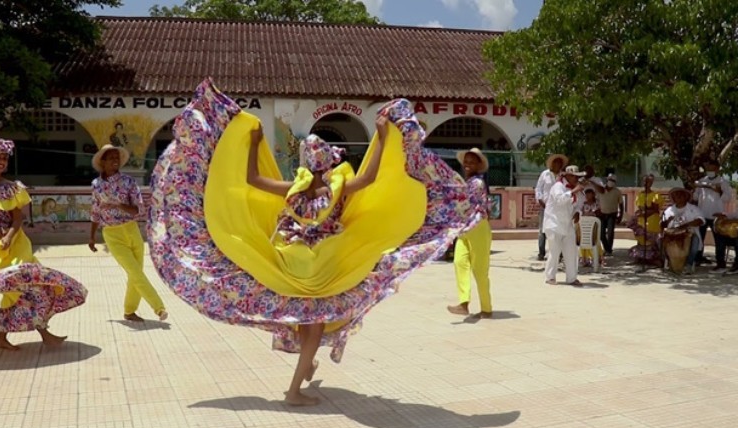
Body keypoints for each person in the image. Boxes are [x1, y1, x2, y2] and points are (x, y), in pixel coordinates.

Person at [147, 80, 478, 407]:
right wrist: (380, 135)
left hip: (290, 263)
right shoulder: (336, 189)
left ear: (306, 162)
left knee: (308, 326)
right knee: (315, 328)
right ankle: (294, 390)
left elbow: (251, 179)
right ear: (329, 162)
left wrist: (253, 142)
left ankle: (306, 368)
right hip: (325, 268)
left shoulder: (293, 188)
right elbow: (371, 178)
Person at [0, 138, 87, 350]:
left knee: (26, 284)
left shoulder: (12, 188)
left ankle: (33, 334)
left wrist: (9, 238)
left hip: (12, 244)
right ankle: (30, 335)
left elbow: (17, 218)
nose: (2, 161)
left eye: (5, 157)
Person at [89, 145, 168, 323]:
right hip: (112, 234)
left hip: (132, 230)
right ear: (103, 161)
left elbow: (137, 210)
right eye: (111, 157)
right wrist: (92, 236)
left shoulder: (129, 182)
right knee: (135, 272)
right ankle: (159, 307)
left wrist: (119, 205)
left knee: (135, 273)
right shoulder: (96, 185)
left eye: (117, 157)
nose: (115, 160)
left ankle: (129, 311)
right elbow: (95, 211)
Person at [446, 148, 493, 318]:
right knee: (459, 262)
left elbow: (467, 206)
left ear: (479, 165)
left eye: (472, 162)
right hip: (465, 228)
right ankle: (464, 303)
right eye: (466, 161)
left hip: (477, 227)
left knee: (480, 271)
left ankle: (486, 309)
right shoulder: (467, 182)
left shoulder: (477, 184)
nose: (467, 164)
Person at [544, 165, 585, 286]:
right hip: (554, 223)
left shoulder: (577, 189)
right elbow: (559, 200)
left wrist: (578, 212)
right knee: (554, 251)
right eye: (574, 176)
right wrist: (573, 191)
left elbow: (580, 204)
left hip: (567, 224)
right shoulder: (558, 186)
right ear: (567, 176)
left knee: (571, 251)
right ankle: (550, 277)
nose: (577, 179)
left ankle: (572, 278)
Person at [692, 159, 732, 268]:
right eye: (709, 168)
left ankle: (720, 263)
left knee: (719, 241)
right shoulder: (701, 181)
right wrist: (694, 189)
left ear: (717, 169)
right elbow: (695, 197)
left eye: (713, 169)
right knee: (700, 238)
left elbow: (728, 198)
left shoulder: (723, 182)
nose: (710, 170)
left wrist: (719, 191)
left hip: (716, 215)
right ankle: (697, 259)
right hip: (702, 214)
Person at [660, 187, 705, 275]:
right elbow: (662, 224)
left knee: (695, 241)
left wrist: (686, 225)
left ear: (686, 197)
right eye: (676, 195)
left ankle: (689, 264)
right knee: (661, 240)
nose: (678, 197)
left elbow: (700, 220)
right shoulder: (669, 210)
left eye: (681, 195)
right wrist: (667, 221)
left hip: (689, 233)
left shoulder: (693, 209)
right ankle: (669, 262)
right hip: (672, 234)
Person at [535, 154, 568, 260]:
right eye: (556, 162)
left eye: (560, 163)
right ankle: (541, 252)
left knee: (559, 229)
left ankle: (560, 253)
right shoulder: (544, 174)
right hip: (545, 206)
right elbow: (538, 188)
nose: (558, 164)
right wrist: (540, 199)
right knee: (542, 230)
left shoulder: (564, 177)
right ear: (552, 163)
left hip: (558, 207)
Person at [629, 174, 662, 265]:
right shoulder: (640, 195)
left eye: (648, 182)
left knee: (651, 240)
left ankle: (653, 259)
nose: (646, 183)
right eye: (644, 181)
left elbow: (655, 210)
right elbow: (640, 207)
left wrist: (645, 214)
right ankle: (640, 258)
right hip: (642, 220)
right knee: (641, 239)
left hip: (652, 220)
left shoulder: (655, 195)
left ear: (651, 183)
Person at [598, 174, 624, 256]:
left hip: (612, 214)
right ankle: (607, 249)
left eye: (613, 181)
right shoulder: (601, 190)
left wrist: (620, 216)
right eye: (610, 180)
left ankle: (609, 250)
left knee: (610, 233)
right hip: (602, 214)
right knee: (601, 234)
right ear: (607, 180)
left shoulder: (617, 192)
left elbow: (621, 205)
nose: (611, 182)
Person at [579, 188, 603, 267]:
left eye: (590, 194)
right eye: (587, 194)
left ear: (593, 194)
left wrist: (593, 214)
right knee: (584, 240)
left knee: (594, 240)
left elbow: (599, 213)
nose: (588, 196)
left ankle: (595, 258)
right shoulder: (583, 204)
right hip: (584, 225)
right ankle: (584, 259)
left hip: (594, 225)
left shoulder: (596, 204)